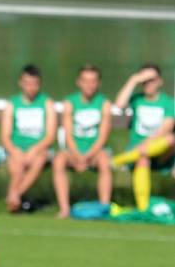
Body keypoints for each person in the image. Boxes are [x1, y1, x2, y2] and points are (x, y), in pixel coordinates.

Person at [53, 65, 112, 219]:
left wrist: (89, 155)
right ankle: (64, 209)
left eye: (93, 81)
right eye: (85, 81)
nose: (89, 85)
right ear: (79, 82)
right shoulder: (70, 102)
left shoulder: (104, 103)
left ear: (98, 83)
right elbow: (68, 134)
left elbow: (103, 136)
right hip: (74, 151)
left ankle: (104, 207)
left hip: (96, 152)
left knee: (105, 161)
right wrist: (77, 155)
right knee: (59, 159)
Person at [113, 64, 175, 211]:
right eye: (144, 80)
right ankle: (143, 208)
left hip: (162, 154)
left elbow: (165, 130)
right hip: (140, 155)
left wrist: (143, 146)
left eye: (152, 79)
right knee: (143, 159)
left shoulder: (168, 103)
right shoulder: (136, 100)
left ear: (160, 81)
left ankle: (120, 160)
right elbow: (119, 105)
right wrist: (133, 80)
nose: (148, 83)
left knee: (171, 139)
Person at [0, 65, 57, 212]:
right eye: (27, 83)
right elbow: (5, 136)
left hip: (39, 149)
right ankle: (15, 201)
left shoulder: (47, 103)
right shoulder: (12, 104)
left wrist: (35, 149)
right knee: (16, 165)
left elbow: (50, 135)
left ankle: (13, 196)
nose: (31, 87)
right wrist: (14, 150)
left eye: (35, 84)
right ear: (21, 83)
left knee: (39, 159)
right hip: (16, 149)